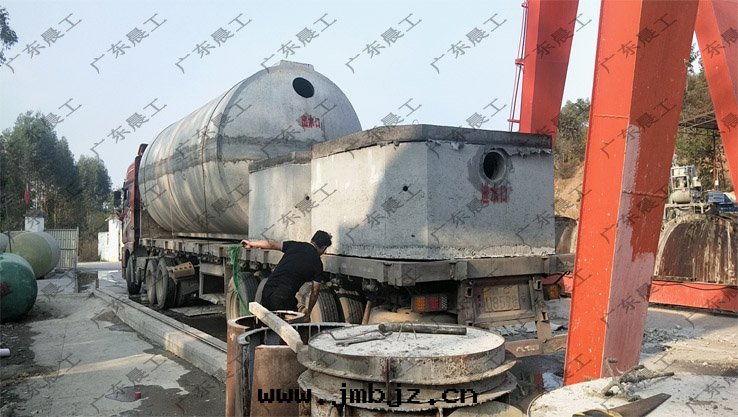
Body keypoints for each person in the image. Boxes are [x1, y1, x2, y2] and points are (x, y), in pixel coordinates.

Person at [240, 231, 332, 318]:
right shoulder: (317, 263)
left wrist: (251, 244)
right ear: (324, 247)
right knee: (291, 325)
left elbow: (272, 244)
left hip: (267, 290)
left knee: (270, 324)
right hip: (283, 297)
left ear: (312, 240)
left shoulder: (295, 245)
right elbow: (315, 291)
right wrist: (309, 312)